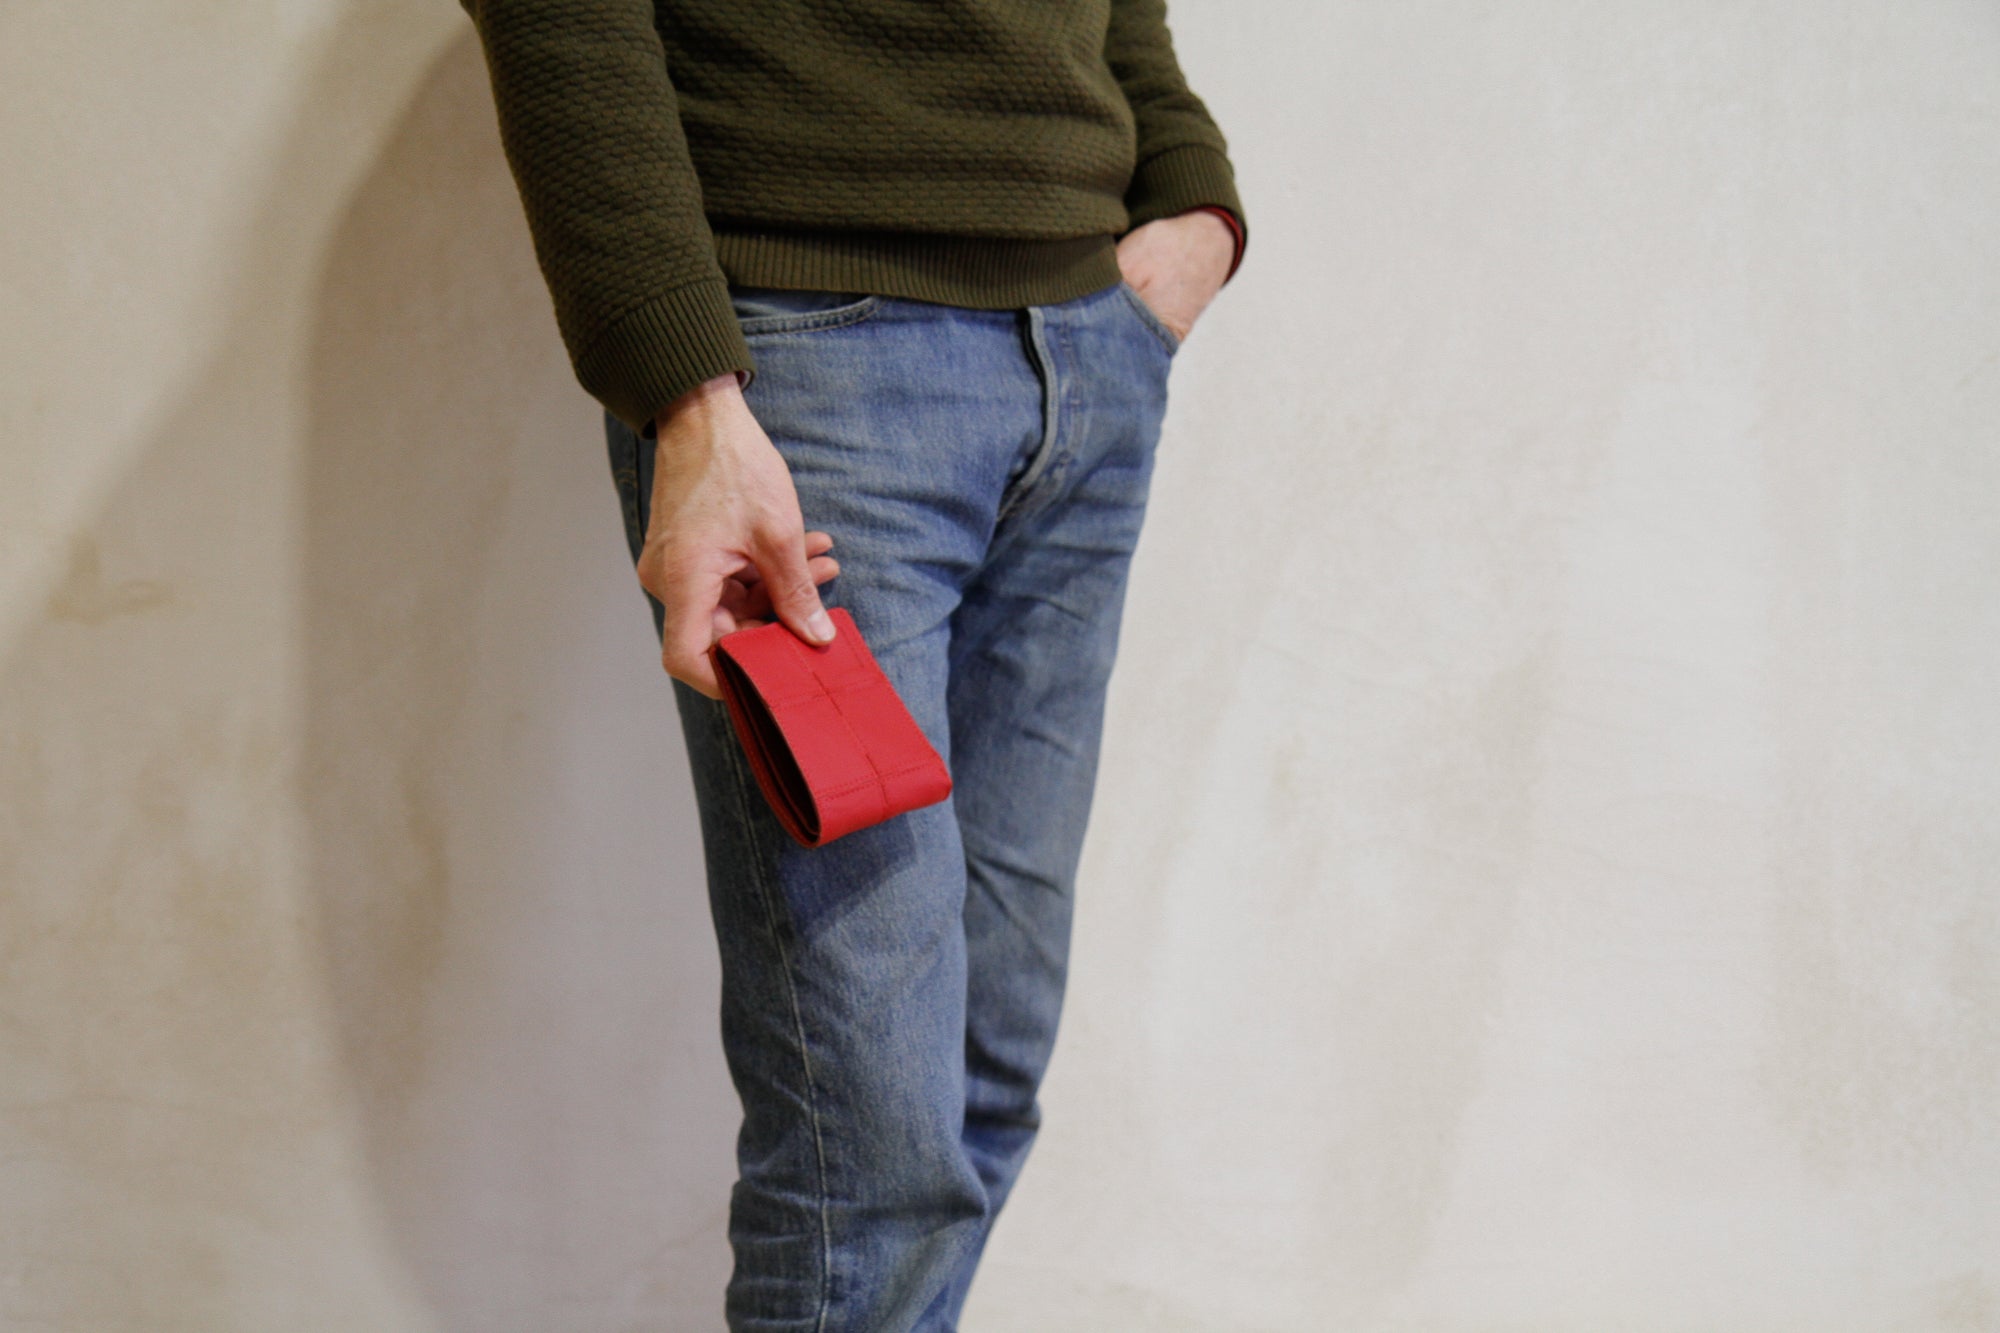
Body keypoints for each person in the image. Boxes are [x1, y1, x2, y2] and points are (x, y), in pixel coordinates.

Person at [462, 1, 1247, 1328]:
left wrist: (1192, 198)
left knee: (985, 1065)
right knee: (869, 1144)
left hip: (1087, 353)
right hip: (813, 368)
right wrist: (686, 393)